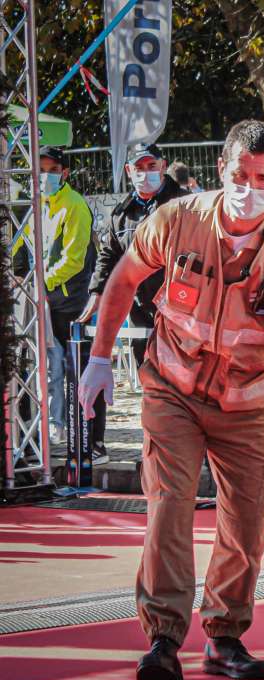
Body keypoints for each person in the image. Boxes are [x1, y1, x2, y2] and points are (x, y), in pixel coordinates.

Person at [77, 120, 264, 680]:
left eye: (263, 178)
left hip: (247, 403)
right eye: (240, 176)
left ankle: (224, 635)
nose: (250, 189)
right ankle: (163, 638)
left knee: (249, 514)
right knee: (170, 501)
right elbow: (123, 279)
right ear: (223, 171)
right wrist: (100, 358)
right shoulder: (178, 220)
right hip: (172, 386)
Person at [10, 146, 105, 462]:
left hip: (69, 301)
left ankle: (92, 442)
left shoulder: (75, 205)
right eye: (41, 170)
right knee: (41, 369)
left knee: (78, 369)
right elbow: (22, 245)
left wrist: (40, 282)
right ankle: (47, 433)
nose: (46, 176)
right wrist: (19, 275)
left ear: (65, 173)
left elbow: (74, 260)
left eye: (53, 170)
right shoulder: (34, 204)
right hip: (40, 300)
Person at [81, 143, 191, 368]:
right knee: (147, 374)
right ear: (129, 171)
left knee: (183, 377)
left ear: (163, 166)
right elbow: (109, 255)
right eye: (139, 168)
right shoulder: (122, 213)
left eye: (151, 166)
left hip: (182, 307)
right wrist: (97, 291)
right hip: (141, 308)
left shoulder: (186, 204)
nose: (145, 173)